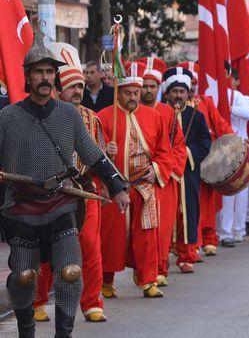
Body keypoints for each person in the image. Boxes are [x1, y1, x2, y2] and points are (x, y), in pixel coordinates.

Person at [0, 34, 129, 337]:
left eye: (49, 72)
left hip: (62, 205)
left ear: (55, 77)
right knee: (22, 277)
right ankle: (27, 331)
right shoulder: (7, 118)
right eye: (38, 72)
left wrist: (118, 187)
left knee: (70, 273)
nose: (44, 78)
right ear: (27, 77)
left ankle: (63, 334)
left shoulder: (69, 115)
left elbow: (94, 156)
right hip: (22, 208)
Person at [32, 42, 121, 325]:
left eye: (81, 87)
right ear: (59, 88)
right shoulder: (42, 117)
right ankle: (38, 301)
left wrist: (110, 170)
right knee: (45, 250)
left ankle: (92, 303)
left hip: (84, 191)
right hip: (51, 193)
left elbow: (97, 156)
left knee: (91, 248)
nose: (78, 92)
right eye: (72, 87)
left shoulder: (92, 119)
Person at [97, 61, 172, 299]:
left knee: (147, 234)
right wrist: (105, 151)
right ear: (119, 92)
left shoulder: (154, 116)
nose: (133, 97)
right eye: (127, 93)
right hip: (114, 187)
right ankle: (107, 282)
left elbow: (164, 151)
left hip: (143, 186)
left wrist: (156, 168)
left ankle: (148, 280)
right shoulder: (105, 116)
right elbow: (93, 151)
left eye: (136, 93)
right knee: (111, 236)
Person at [138, 56, 187, 285]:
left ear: (159, 88)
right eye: (144, 86)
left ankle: (160, 269)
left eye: (152, 86)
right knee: (142, 229)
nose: (148, 91)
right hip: (138, 179)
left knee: (163, 227)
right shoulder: (133, 111)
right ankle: (143, 270)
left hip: (163, 178)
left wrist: (169, 171)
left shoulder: (169, 113)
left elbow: (178, 145)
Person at [178, 61, 233, 257]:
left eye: (194, 82)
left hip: (207, 158)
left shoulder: (206, 102)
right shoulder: (176, 106)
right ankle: (192, 244)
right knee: (188, 203)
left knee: (207, 201)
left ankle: (210, 238)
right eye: (189, 82)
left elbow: (220, 124)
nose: (192, 86)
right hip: (184, 160)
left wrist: (233, 141)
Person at [162, 67, 212, 273]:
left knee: (188, 212)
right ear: (167, 93)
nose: (179, 95)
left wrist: (185, 153)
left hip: (188, 172)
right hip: (164, 172)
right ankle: (162, 256)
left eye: (182, 91)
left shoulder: (196, 116)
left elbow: (205, 143)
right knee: (165, 215)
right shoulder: (160, 114)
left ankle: (186, 254)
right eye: (175, 91)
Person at [218, 68, 249, 247]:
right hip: (224, 148)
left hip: (241, 150)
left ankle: (239, 229)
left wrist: (230, 107)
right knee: (226, 192)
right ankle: (225, 231)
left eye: (230, 78)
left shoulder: (241, 97)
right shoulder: (214, 94)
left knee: (241, 191)